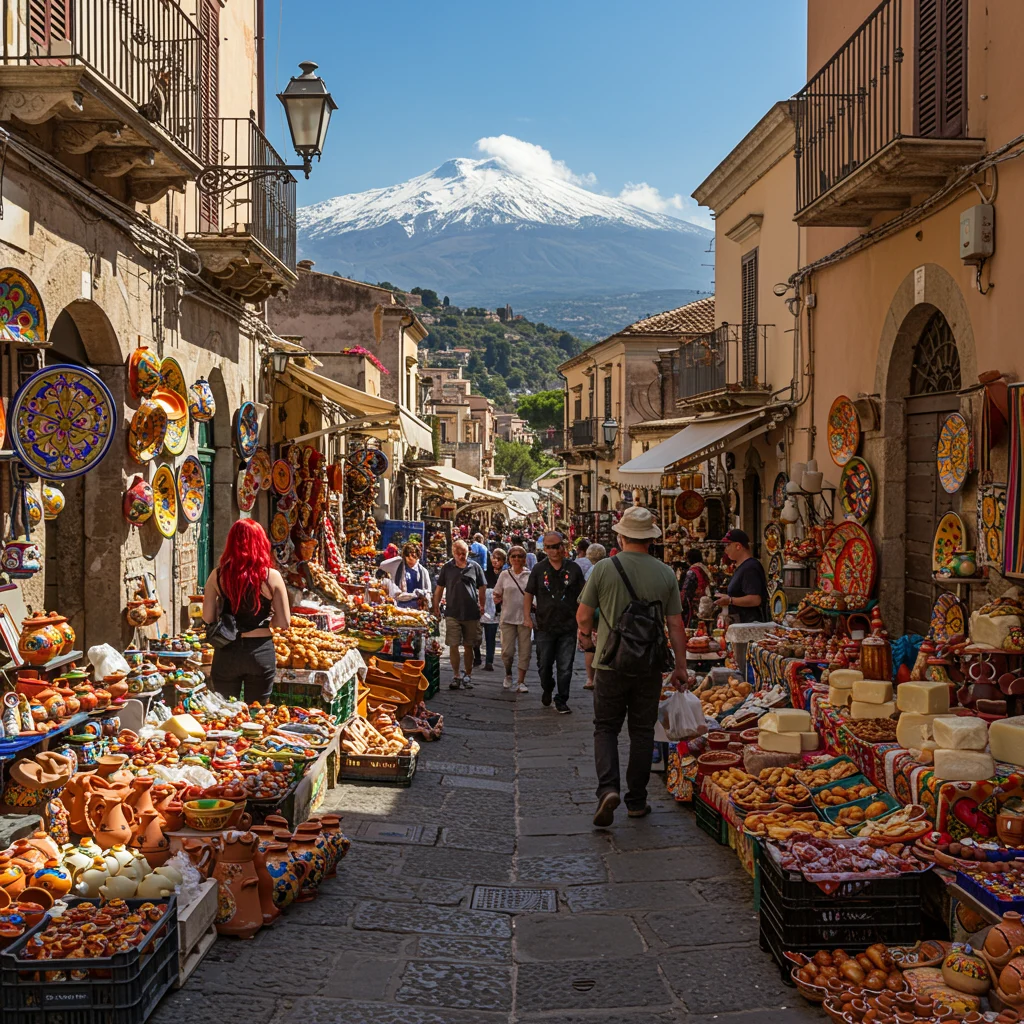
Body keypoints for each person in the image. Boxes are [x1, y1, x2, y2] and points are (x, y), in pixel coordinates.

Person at [577, 506, 687, 827]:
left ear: (622, 537)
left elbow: (583, 616)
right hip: (649, 666)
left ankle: (608, 789)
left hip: (609, 662)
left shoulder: (603, 568)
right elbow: (676, 625)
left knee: (605, 728)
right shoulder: (665, 573)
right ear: (651, 540)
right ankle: (637, 801)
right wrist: (680, 667)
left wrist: (587, 637)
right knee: (641, 732)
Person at [203, 519, 291, 702]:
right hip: (260, 651)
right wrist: (269, 619)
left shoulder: (217, 575)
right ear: (261, 543)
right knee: (258, 713)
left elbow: (207, 617)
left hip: (227, 652)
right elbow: (284, 623)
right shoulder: (272, 577)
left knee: (226, 711)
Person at [525, 531, 585, 714]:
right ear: (545, 549)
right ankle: (547, 687)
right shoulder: (539, 569)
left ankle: (562, 699)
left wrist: (584, 621)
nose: (556, 550)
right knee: (544, 665)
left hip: (568, 625)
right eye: (551, 547)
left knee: (565, 667)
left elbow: (583, 596)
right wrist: (527, 616)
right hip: (545, 625)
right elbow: (529, 593)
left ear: (563, 546)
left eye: (558, 546)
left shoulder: (574, 569)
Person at [433, 538, 487, 690]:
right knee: (453, 644)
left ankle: (468, 675)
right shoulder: (447, 568)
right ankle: (456, 675)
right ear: (453, 553)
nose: (462, 556)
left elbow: (482, 586)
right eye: (459, 554)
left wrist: (482, 605)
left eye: (464, 553)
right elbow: (439, 588)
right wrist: (436, 606)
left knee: (469, 645)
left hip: (471, 612)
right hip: (452, 612)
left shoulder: (475, 567)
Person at [494, 545, 532, 692]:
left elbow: (534, 595)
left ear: (524, 559)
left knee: (525, 651)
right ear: (509, 559)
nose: (516, 558)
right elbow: (497, 592)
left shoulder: (530, 576)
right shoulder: (504, 575)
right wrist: (497, 598)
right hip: (507, 618)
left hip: (525, 618)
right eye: (513, 556)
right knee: (507, 652)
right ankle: (508, 673)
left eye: (520, 556)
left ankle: (521, 681)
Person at [714, 528, 769, 623]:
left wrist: (730, 600)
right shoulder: (742, 567)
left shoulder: (750, 567)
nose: (725, 550)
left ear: (738, 546)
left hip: (750, 624)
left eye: (728, 545)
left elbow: (755, 599)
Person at [581, 542, 607, 690]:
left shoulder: (591, 570)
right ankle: (599, 677)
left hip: (592, 611)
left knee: (590, 647)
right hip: (604, 611)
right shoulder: (608, 567)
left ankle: (590, 679)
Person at [479, 547, 506, 671]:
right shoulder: (484, 572)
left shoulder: (505, 575)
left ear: (503, 561)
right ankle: (477, 657)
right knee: (476, 637)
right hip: (481, 607)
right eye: (494, 558)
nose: (495, 561)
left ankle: (489, 661)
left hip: (496, 610)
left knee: (491, 636)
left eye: (499, 559)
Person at [680, 548, 711, 627]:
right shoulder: (704, 570)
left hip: (694, 606)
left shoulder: (692, 572)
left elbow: (686, 591)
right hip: (705, 603)